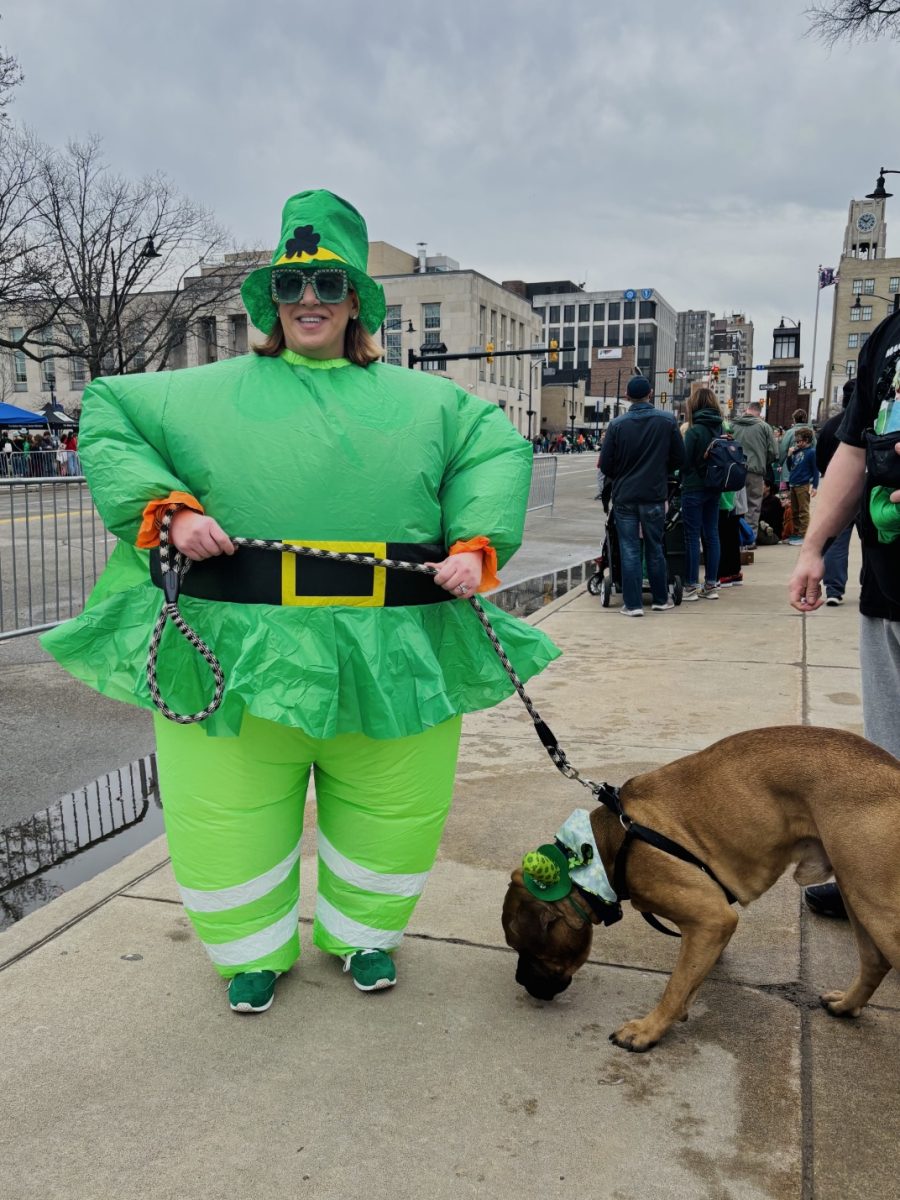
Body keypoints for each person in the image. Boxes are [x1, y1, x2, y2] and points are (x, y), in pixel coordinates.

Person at [42, 189, 560, 1013]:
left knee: (391, 802)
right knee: (230, 807)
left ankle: (364, 935)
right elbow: (108, 415)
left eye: (327, 285)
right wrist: (168, 508)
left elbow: (492, 448)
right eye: (291, 285)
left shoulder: (431, 403)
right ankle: (249, 950)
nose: (309, 301)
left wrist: (475, 542)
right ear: (270, 302)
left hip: (390, 644)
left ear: (357, 301)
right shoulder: (199, 393)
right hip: (240, 644)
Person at [788, 304, 900, 918]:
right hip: (888, 593)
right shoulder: (887, 335)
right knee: (886, 761)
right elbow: (855, 450)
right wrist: (813, 546)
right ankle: (879, 884)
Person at [599, 375, 684, 616]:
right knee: (655, 547)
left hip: (626, 496)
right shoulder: (667, 421)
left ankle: (633, 604)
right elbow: (680, 457)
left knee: (629, 549)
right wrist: (660, 470)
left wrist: (623, 473)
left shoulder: (616, 425)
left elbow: (606, 465)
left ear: (627, 396)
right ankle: (660, 598)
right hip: (655, 495)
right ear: (651, 393)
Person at [679, 388, 724, 600]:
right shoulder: (720, 428)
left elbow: (684, 462)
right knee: (712, 535)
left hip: (694, 488)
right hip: (714, 488)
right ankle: (711, 584)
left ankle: (690, 585)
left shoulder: (694, 431)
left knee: (692, 537)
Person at [816, 381, 857, 605]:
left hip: (837, 493)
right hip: (870, 489)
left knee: (836, 542)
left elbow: (820, 460)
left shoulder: (831, 426)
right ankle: (871, 584)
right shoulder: (873, 423)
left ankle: (833, 590)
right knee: (874, 540)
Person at [730, 400, 777, 546]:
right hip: (755, 471)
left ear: (747, 410)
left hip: (734, 470)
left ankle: (733, 538)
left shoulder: (732, 425)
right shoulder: (764, 427)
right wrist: (763, 461)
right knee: (753, 504)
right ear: (759, 412)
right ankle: (749, 539)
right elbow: (773, 452)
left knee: (733, 504)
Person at [786, 429, 819, 545]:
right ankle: (796, 532)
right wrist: (789, 456)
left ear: (806, 440)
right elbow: (790, 467)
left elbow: (816, 470)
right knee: (794, 511)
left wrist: (815, 486)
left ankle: (804, 534)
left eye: (799, 441)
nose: (797, 444)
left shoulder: (812, 452)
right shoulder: (796, 452)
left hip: (803, 485)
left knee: (803, 511)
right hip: (793, 483)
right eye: (796, 441)